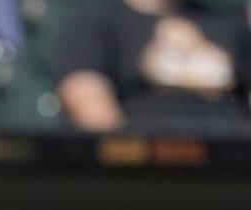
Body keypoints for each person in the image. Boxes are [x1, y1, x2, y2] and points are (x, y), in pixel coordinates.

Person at [54, 0, 251, 131]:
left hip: (231, 162)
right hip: (145, 167)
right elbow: (87, 100)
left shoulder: (228, 21)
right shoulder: (100, 19)